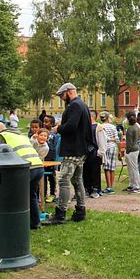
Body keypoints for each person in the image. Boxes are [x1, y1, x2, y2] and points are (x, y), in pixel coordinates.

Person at [45, 83, 95, 225]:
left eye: (62, 95)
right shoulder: (83, 105)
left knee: (63, 180)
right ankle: (80, 211)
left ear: (68, 92)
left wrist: (58, 128)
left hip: (73, 150)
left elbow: (71, 126)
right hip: (81, 149)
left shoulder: (74, 105)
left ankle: (60, 214)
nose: (62, 98)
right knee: (77, 180)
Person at [0, 123, 44, 230]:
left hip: (25, 168)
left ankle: (13, 223)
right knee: (31, 195)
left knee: (14, 195)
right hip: (38, 166)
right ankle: (35, 223)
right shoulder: (20, 135)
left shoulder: (1, 137)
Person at [96, 111, 119, 194]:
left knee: (106, 168)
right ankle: (111, 186)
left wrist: (108, 139)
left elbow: (102, 138)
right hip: (113, 147)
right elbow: (117, 139)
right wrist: (112, 139)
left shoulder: (100, 127)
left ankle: (108, 187)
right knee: (112, 168)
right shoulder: (113, 127)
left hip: (106, 147)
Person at [83, 110, 103, 198]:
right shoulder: (84, 127)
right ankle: (87, 188)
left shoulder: (98, 127)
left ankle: (96, 188)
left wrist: (100, 152)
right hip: (86, 152)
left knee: (95, 171)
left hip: (94, 152)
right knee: (86, 171)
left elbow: (102, 140)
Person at [124, 112, 140, 194]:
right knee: (132, 168)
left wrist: (127, 151)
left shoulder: (130, 128)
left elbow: (129, 143)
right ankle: (132, 184)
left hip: (131, 150)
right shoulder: (136, 126)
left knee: (133, 168)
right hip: (135, 149)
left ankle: (136, 186)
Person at [42, 115, 58, 202]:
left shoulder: (54, 134)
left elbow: (55, 147)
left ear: (52, 124)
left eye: (46, 122)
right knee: (43, 177)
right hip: (43, 158)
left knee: (51, 176)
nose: (44, 123)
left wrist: (55, 159)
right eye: (44, 122)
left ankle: (52, 194)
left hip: (51, 159)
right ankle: (43, 194)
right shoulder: (41, 133)